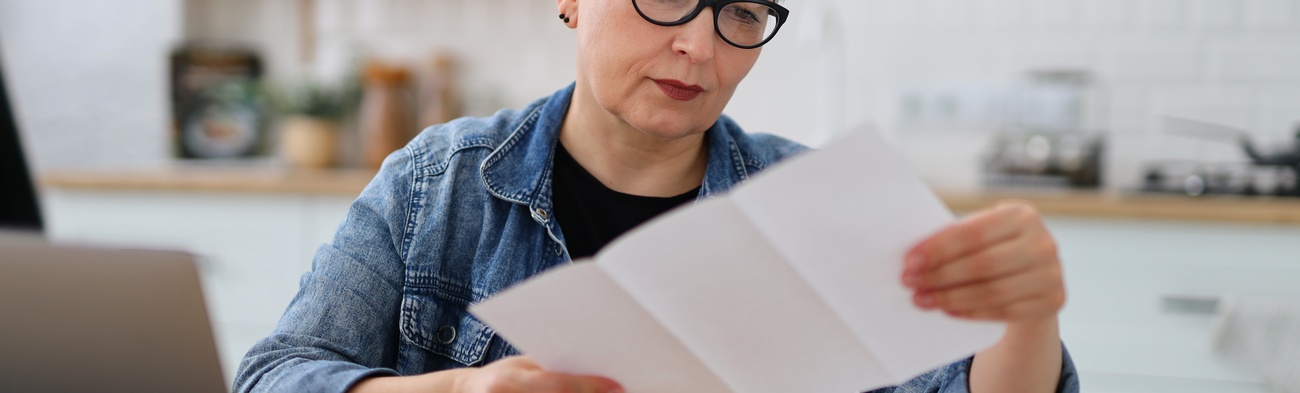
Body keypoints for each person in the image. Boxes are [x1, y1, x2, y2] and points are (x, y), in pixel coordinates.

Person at [234, 0, 1080, 392]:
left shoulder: (819, 206)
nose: (697, 47)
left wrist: (1026, 319)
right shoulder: (437, 183)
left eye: (741, 14)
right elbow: (274, 376)